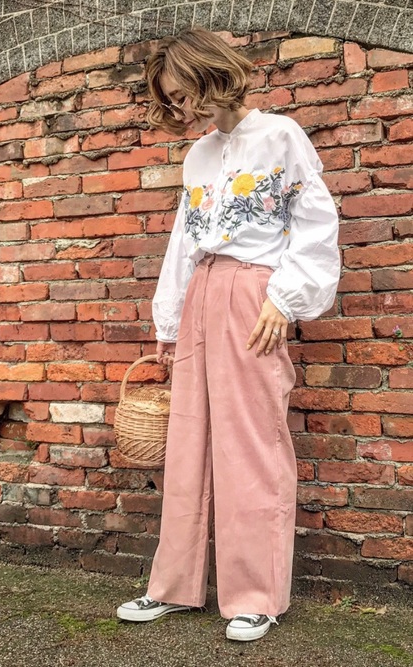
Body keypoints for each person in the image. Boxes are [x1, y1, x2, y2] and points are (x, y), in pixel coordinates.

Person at [116, 27, 340, 642]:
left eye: (183, 91)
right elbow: (183, 240)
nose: (181, 105)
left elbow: (315, 221)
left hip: (253, 293)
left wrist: (285, 297)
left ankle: (256, 596)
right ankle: (173, 586)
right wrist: (168, 319)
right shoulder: (198, 155)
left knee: (251, 442)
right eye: (172, 98)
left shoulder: (280, 135)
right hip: (202, 291)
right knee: (188, 440)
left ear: (211, 73)